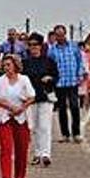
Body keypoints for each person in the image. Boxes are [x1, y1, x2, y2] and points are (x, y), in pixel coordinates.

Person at [0, 55, 35, 178]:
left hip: (22, 117)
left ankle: (19, 176)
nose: (6, 68)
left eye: (8, 65)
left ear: (15, 65)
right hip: (5, 117)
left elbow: (32, 96)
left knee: (22, 147)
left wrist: (21, 108)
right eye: (4, 65)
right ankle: (5, 176)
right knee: (6, 147)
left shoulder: (24, 79)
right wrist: (12, 108)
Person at [22, 33, 59, 167]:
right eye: (30, 45)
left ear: (41, 46)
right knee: (33, 127)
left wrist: (50, 79)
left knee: (45, 126)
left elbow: (56, 77)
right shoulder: (25, 63)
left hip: (45, 96)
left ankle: (46, 154)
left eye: (35, 45)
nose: (33, 47)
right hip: (31, 98)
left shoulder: (49, 61)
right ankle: (37, 153)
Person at [48, 25, 87, 143]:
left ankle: (76, 133)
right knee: (62, 109)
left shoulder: (74, 47)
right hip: (59, 83)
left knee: (75, 107)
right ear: (55, 36)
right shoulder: (52, 50)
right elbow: (50, 66)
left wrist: (80, 75)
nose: (60, 37)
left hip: (72, 81)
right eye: (57, 35)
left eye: (62, 34)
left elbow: (80, 61)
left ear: (65, 34)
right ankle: (65, 134)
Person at [79, 42, 90, 111]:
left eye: (82, 47)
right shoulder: (76, 55)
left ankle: (87, 105)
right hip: (79, 76)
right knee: (81, 91)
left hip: (87, 75)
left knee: (87, 90)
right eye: (79, 48)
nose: (80, 49)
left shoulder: (88, 55)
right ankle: (81, 105)